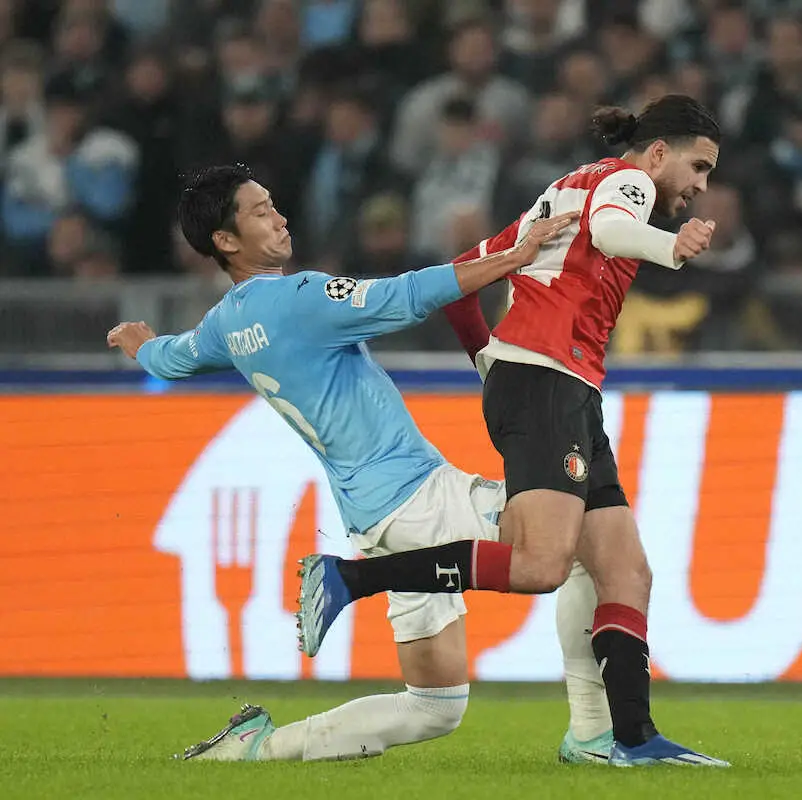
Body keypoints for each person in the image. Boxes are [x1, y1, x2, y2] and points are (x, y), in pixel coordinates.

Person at [104, 164, 615, 764]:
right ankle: (592, 734)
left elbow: (173, 359)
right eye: (260, 212)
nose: (280, 217)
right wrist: (515, 257)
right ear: (225, 240)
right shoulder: (299, 298)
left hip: (374, 520)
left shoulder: (227, 322)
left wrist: (142, 346)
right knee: (579, 550)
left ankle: (255, 749)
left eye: (274, 204)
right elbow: (407, 296)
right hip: (417, 498)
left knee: (434, 706)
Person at [298, 94, 730, 767]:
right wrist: (670, 247)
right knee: (541, 564)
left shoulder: (561, 191)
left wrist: (490, 363)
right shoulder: (629, 183)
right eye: (698, 167)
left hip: (552, 384)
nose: (701, 185)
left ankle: (631, 739)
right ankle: (351, 578)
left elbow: (463, 281)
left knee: (625, 569)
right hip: (549, 380)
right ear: (656, 153)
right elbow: (612, 229)